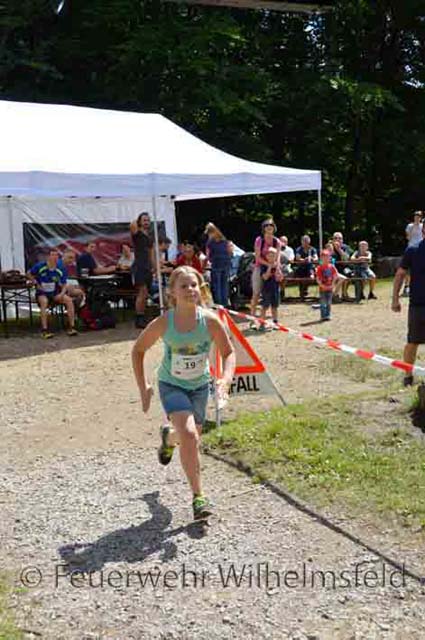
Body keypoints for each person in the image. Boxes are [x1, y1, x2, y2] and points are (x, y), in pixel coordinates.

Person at [131, 266, 235, 520]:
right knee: (190, 436)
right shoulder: (164, 322)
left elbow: (229, 352)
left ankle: (168, 438)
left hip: (199, 386)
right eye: (184, 286)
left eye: (194, 285)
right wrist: (144, 387)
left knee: (188, 437)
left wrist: (225, 379)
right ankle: (199, 497)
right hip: (172, 385)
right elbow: (138, 350)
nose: (190, 290)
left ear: (201, 289)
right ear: (172, 293)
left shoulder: (210, 321)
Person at [392, 222, 425, 386]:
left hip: (417, 305)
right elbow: (400, 274)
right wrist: (395, 298)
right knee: (412, 341)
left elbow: (400, 274)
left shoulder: (412, 249)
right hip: (418, 304)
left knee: (412, 341)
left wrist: (395, 299)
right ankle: (408, 375)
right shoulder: (413, 250)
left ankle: (408, 376)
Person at [28, 248, 78, 339]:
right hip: (42, 293)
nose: (55, 257)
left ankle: (72, 327)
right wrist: (36, 283)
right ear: (48, 257)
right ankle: (44, 330)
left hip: (55, 292)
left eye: (56, 255)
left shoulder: (61, 268)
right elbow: (29, 274)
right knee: (44, 302)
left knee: (69, 300)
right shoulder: (40, 266)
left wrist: (62, 294)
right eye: (52, 255)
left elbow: (64, 284)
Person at [250, 219, 281, 328]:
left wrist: (277, 267)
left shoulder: (277, 241)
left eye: (271, 225)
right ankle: (253, 319)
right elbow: (257, 257)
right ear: (263, 228)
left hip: (273, 267)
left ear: (274, 227)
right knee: (256, 294)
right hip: (260, 267)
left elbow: (278, 257)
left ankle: (274, 320)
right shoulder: (259, 240)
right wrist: (269, 265)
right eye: (266, 225)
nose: (269, 227)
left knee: (273, 294)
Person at [130, 212, 155, 329]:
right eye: (144, 220)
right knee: (142, 292)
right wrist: (138, 219)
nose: (146, 222)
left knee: (145, 294)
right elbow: (132, 225)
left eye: (148, 220)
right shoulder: (137, 233)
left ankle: (143, 315)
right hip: (139, 266)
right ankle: (138, 318)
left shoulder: (149, 236)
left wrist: (154, 267)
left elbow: (151, 253)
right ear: (140, 221)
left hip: (147, 267)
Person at [205, 222, 233, 307]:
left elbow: (208, 255)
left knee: (217, 286)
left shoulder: (210, 243)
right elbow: (230, 252)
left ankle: (219, 304)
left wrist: (207, 262)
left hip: (216, 264)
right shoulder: (225, 241)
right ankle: (225, 303)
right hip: (226, 264)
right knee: (224, 285)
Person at [259, 246, 282, 330]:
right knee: (265, 306)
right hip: (266, 289)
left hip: (275, 288)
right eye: (270, 255)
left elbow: (280, 278)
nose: (271, 257)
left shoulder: (278, 266)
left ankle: (275, 322)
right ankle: (262, 323)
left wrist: (278, 270)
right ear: (266, 256)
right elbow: (265, 277)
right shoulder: (263, 266)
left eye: (273, 255)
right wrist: (269, 267)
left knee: (274, 306)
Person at [403, 211, 423, 297]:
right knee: (408, 269)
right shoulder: (410, 226)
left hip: (421, 248)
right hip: (411, 248)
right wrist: (413, 227)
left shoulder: (423, 226)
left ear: (421, 218)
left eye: (419, 216)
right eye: (416, 216)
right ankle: (406, 287)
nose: (417, 218)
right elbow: (408, 237)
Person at [316, 250, 339, 321]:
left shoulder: (332, 267)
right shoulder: (319, 268)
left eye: (327, 257)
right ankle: (323, 316)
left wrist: (333, 284)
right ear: (321, 259)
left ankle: (328, 315)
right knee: (323, 303)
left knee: (329, 302)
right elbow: (318, 278)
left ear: (329, 258)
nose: (326, 259)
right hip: (322, 288)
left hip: (330, 288)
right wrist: (322, 285)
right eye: (324, 258)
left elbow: (335, 276)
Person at [294, 235, 318, 299]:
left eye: (307, 241)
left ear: (309, 241)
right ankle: (302, 291)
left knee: (311, 276)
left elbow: (316, 258)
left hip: (310, 267)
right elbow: (297, 258)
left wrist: (311, 258)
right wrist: (304, 259)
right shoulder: (299, 249)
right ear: (301, 242)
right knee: (300, 276)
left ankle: (304, 289)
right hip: (301, 267)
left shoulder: (312, 249)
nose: (305, 243)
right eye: (304, 241)